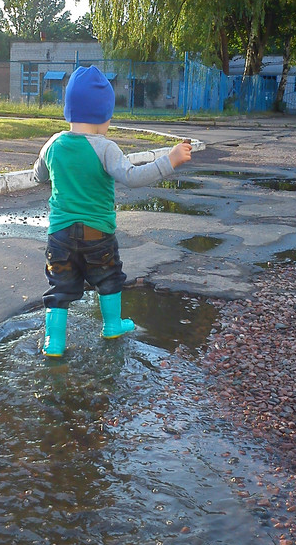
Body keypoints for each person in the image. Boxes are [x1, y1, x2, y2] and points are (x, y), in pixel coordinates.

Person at [33, 65, 192, 357]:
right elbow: (132, 177)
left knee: (59, 287)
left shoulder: (53, 144)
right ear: (102, 116)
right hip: (98, 233)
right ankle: (112, 325)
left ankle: (53, 342)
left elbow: (38, 176)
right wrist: (169, 160)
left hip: (59, 235)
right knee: (108, 277)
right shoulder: (105, 148)